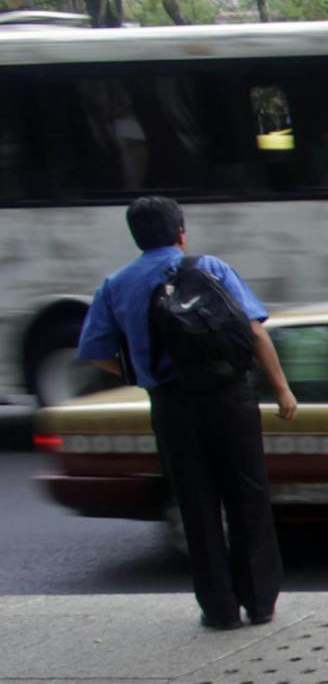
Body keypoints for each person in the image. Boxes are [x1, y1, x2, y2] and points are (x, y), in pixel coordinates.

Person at [77, 197, 298, 630]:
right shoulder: (212, 267)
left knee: (196, 504)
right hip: (230, 396)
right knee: (248, 495)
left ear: (136, 236)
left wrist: (140, 371)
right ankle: (259, 602)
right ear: (181, 232)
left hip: (172, 404)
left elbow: (95, 352)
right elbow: (253, 331)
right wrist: (282, 388)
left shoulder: (116, 284)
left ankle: (218, 609)